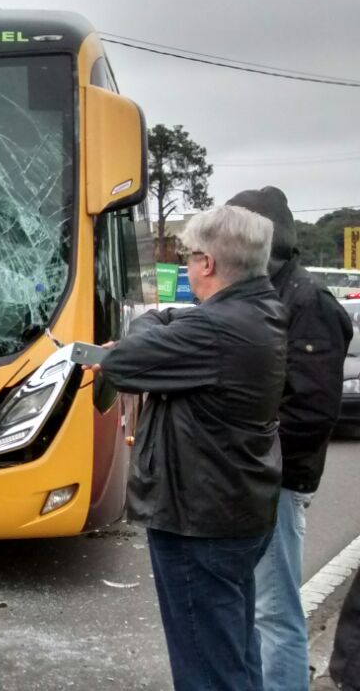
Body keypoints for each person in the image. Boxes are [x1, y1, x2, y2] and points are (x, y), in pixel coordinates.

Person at [90, 205, 286, 691]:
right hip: (235, 510)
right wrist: (164, 324)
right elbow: (167, 326)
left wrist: (149, 326)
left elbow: (125, 363)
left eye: (190, 256)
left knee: (206, 668)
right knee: (236, 653)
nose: (187, 265)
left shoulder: (213, 331)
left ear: (209, 264)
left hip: (198, 518)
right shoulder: (262, 311)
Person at [228, 187, 353, 691]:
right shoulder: (267, 292)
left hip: (274, 482)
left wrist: (256, 459)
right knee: (253, 607)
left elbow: (311, 410)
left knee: (274, 610)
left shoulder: (306, 301)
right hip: (253, 478)